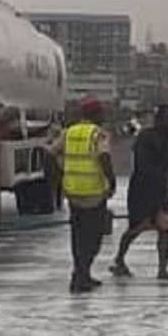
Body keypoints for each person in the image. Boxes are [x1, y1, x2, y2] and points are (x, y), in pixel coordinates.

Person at [50, 97, 116, 294]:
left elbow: (51, 153)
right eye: (101, 112)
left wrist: (59, 175)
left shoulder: (68, 132)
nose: (103, 115)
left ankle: (81, 274)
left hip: (73, 193)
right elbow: (104, 157)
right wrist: (111, 180)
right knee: (93, 237)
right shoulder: (99, 134)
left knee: (78, 237)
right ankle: (80, 276)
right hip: (94, 194)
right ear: (94, 114)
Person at [110, 103, 168, 282]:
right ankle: (119, 259)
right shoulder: (145, 137)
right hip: (143, 191)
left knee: (165, 229)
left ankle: (163, 269)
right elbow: (142, 165)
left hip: (164, 193)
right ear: (159, 120)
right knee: (136, 227)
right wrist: (164, 179)